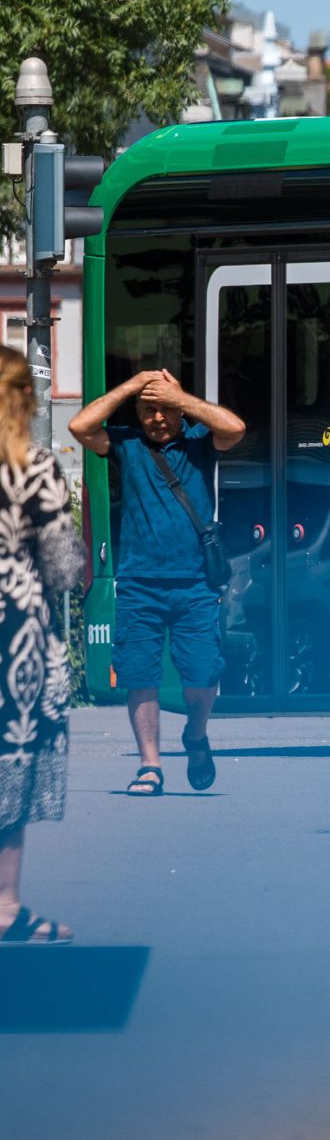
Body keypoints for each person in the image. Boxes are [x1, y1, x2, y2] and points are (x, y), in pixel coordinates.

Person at [69, 366, 248, 796]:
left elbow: (236, 428)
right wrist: (134, 386)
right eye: (149, 411)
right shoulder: (127, 445)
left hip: (195, 585)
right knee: (139, 675)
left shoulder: (200, 445)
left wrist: (179, 396)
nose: (158, 419)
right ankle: (150, 765)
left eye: (165, 410)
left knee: (202, 677)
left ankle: (196, 735)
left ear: (180, 410)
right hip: (139, 584)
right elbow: (80, 426)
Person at [0, 350, 84, 942]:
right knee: (12, 760)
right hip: (16, 636)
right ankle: (4, 908)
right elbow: (61, 568)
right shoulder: (36, 469)